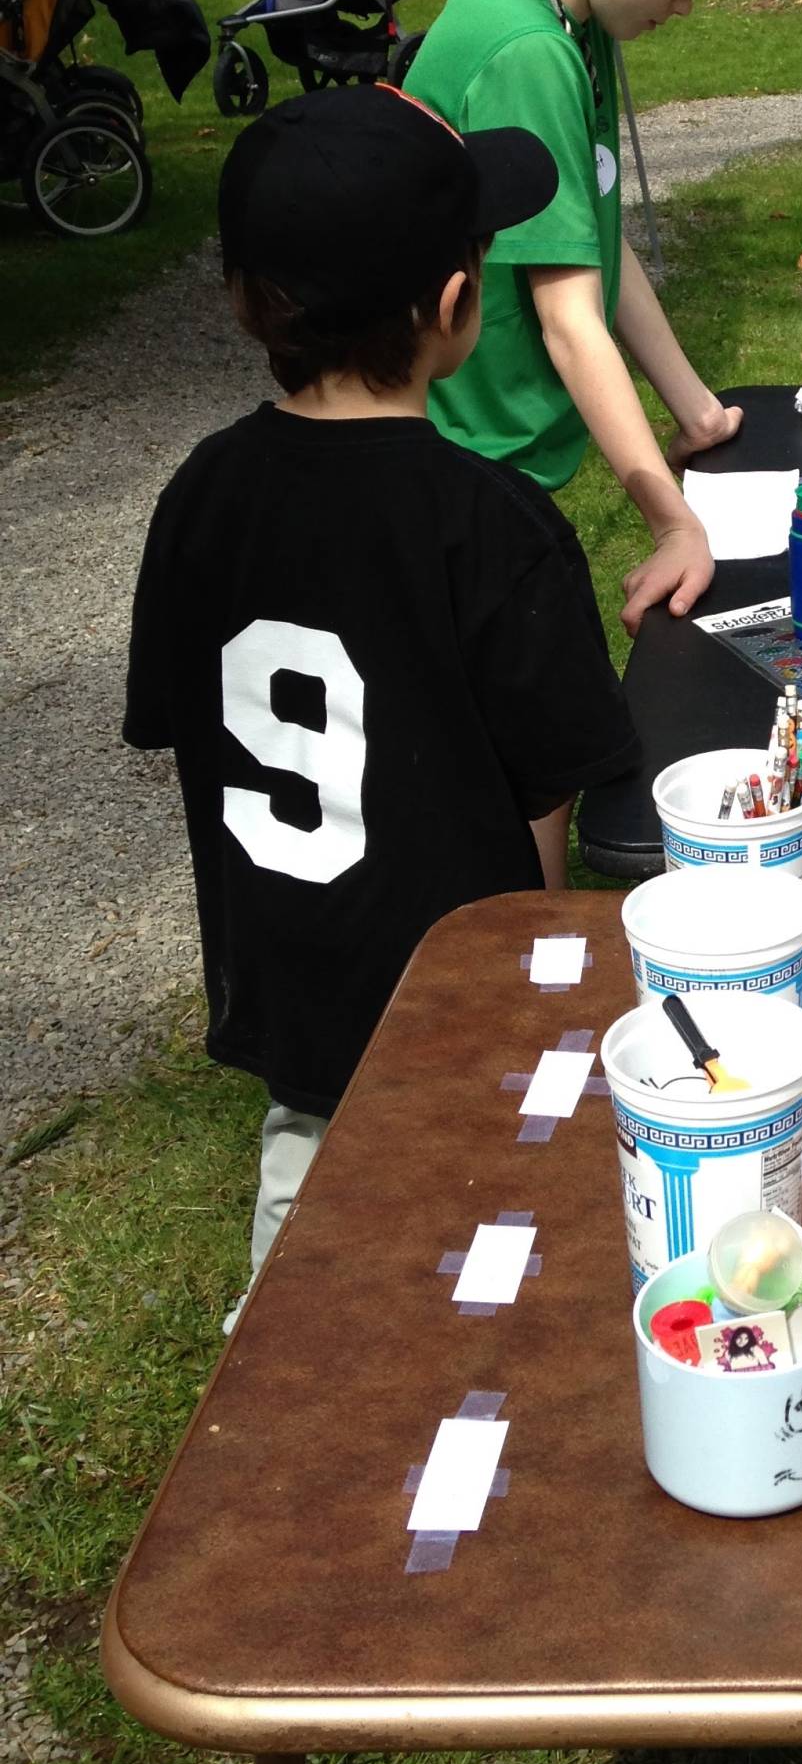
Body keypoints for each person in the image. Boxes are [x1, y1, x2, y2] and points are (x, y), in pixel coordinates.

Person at [124, 90, 640, 1317]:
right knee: (485, 1286)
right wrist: (536, 967)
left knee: (307, 1316)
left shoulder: (200, 493)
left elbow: (176, 723)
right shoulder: (494, 526)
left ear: (250, 302)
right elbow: (550, 788)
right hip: (461, 1009)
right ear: (457, 307)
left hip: (289, 1002)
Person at [408, 0, 774, 630]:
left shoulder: (573, 21)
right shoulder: (529, 49)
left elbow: (596, 240)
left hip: (498, 463)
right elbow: (571, 321)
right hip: (468, 470)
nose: (686, 4)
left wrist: (695, 409)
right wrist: (673, 523)